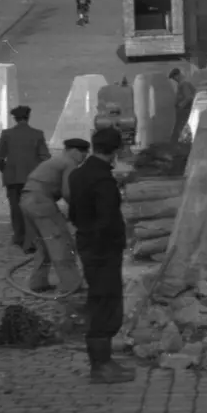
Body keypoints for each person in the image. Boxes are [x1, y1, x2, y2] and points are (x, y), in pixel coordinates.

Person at [68, 127, 135, 385]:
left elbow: (74, 213)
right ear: (116, 150)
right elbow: (108, 220)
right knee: (106, 303)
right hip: (104, 249)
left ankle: (104, 361)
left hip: (87, 244)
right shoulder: (104, 181)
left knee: (99, 299)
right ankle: (101, 364)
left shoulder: (78, 174)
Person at [19, 138, 90, 293]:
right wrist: (78, 210)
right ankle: (72, 284)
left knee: (44, 245)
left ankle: (38, 282)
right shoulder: (69, 163)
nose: (84, 158)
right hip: (41, 201)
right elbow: (67, 192)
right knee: (60, 242)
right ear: (75, 152)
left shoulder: (57, 160)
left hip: (26, 199)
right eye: (84, 154)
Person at [0, 105, 50, 252]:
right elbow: (45, 157)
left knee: (16, 208)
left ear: (15, 119)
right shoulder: (37, 134)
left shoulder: (7, 134)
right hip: (32, 178)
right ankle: (31, 239)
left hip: (12, 178)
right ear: (28, 117)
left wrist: (5, 170)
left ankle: (19, 236)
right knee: (31, 208)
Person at [168, 68, 197, 144]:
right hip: (186, 111)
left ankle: (178, 145)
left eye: (174, 78)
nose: (175, 80)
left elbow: (189, 97)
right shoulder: (185, 83)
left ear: (177, 76)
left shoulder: (184, 84)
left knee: (180, 128)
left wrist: (181, 105)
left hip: (185, 111)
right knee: (180, 128)